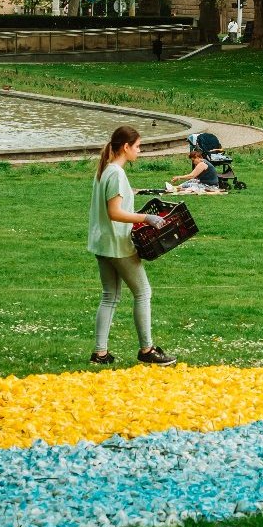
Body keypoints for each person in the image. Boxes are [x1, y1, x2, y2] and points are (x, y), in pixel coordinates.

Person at [88, 126, 176, 367]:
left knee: (109, 297)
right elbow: (115, 213)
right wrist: (146, 218)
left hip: (102, 243)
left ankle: (100, 353)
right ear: (125, 147)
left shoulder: (106, 170)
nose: (140, 150)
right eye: (137, 146)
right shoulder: (116, 173)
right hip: (118, 244)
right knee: (143, 292)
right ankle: (147, 349)